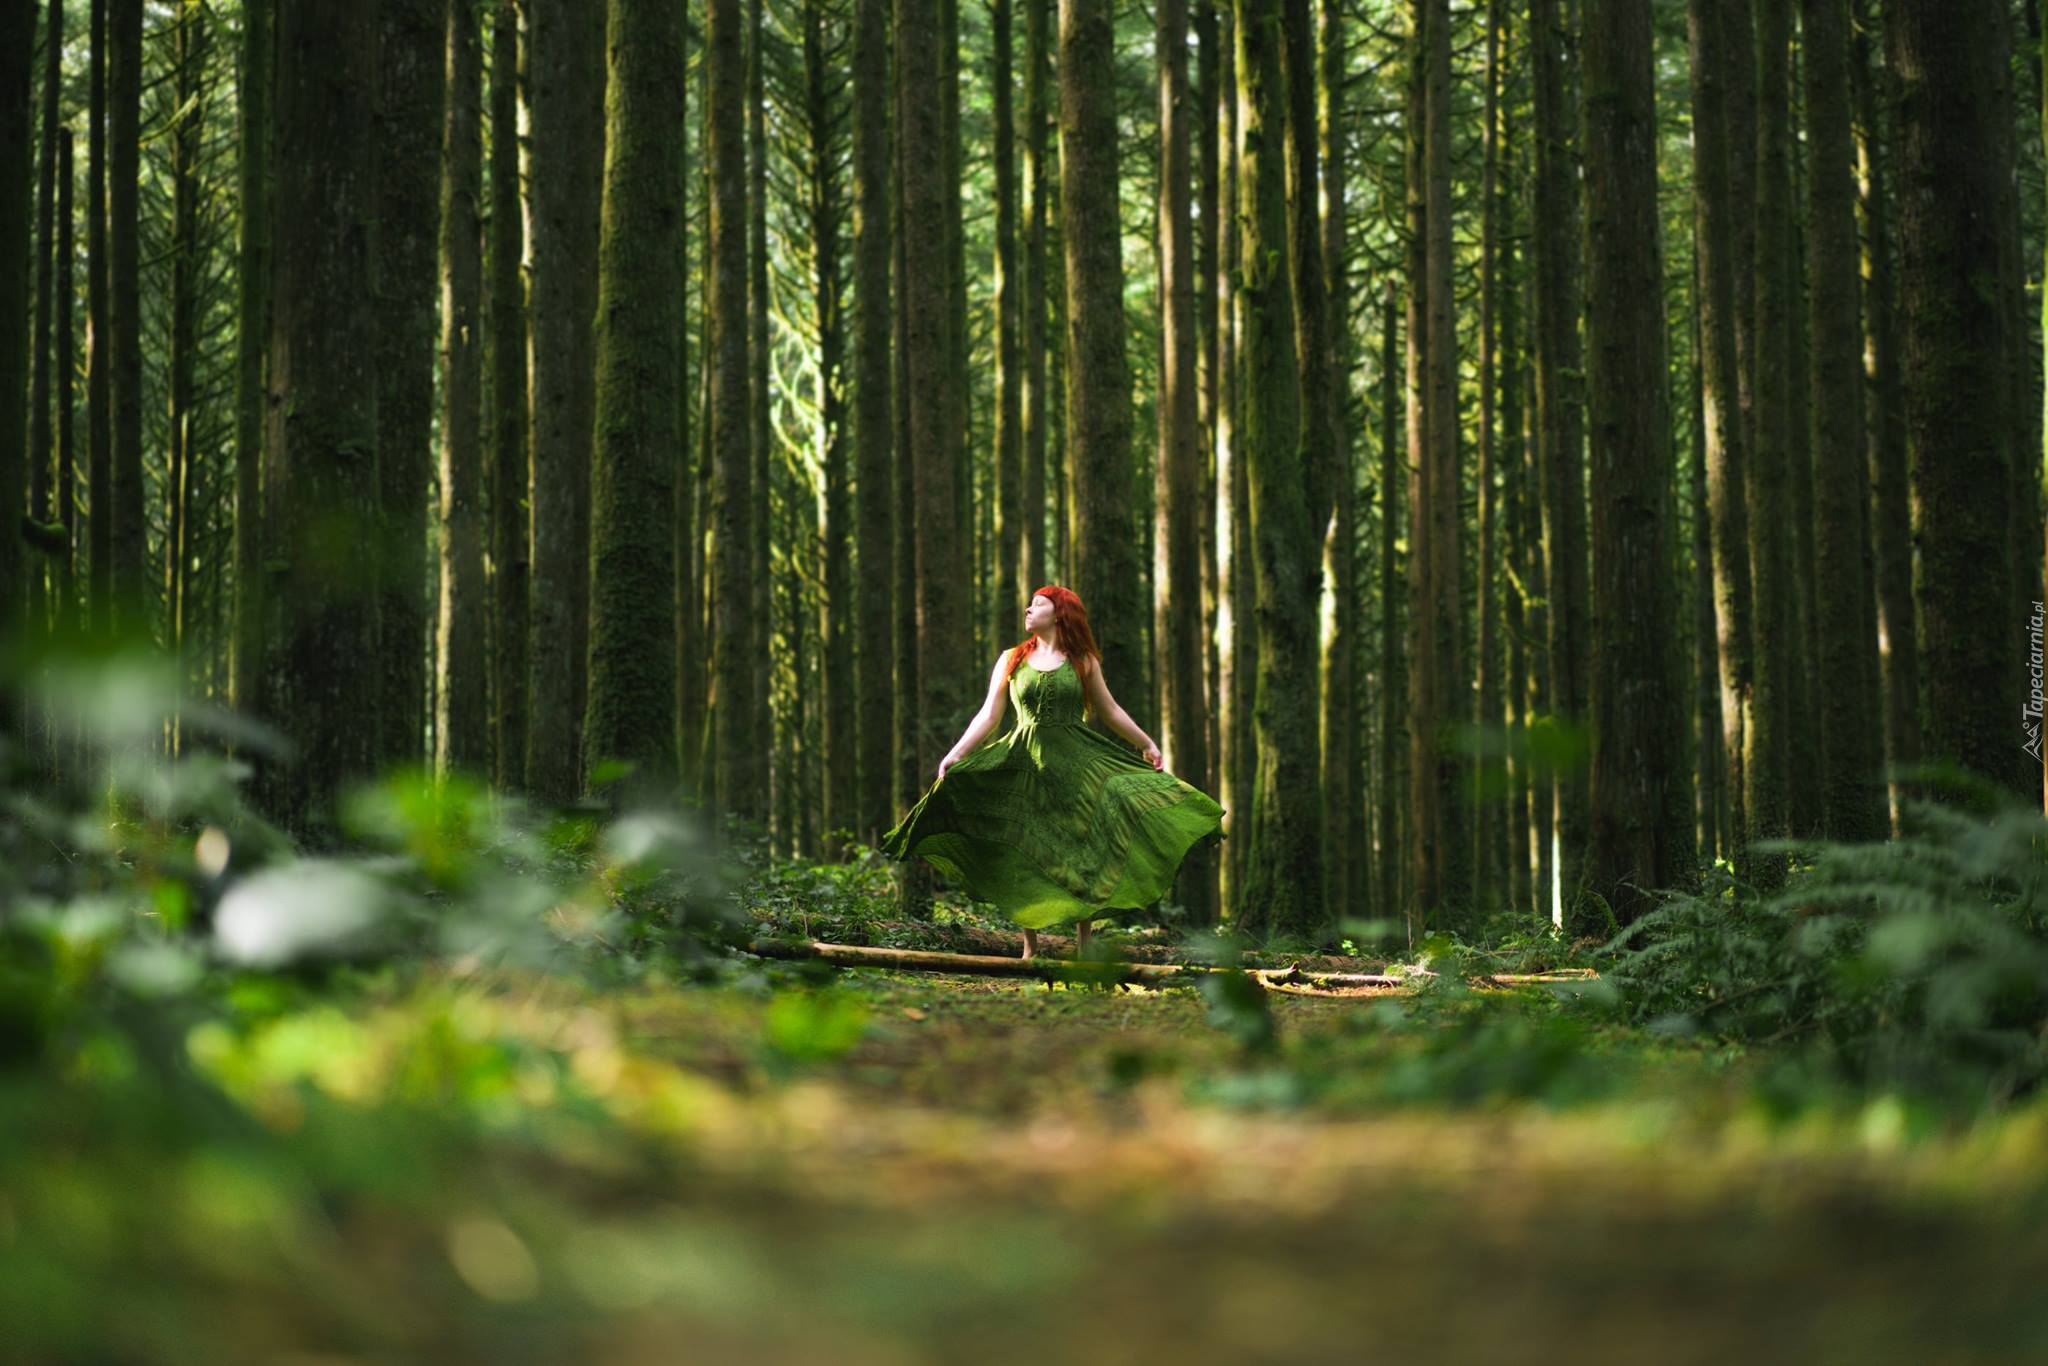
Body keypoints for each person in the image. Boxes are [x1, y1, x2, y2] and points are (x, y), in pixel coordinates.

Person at [879, 585, 1226, 960]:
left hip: (1077, 762)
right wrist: (956, 753)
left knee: (1082, 846)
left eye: (1038, 604)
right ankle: (1030, 948)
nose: (1028, 609)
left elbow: (1109, 710)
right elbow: (989, 715)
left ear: (1059, 613)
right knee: (1024, 847)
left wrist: (1146, 743)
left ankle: (1085, 943)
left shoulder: (1083, 661)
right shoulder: (1011, 658)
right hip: (1022, 762)